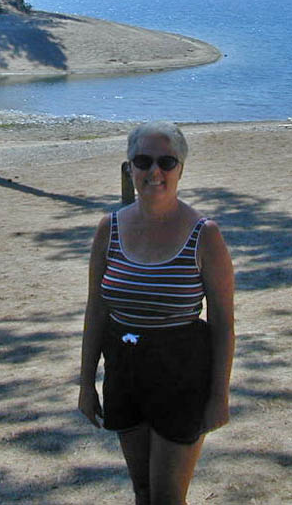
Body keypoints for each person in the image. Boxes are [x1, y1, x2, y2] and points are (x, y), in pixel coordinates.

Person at [79, 121, 235, 505]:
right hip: (125, 370)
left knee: (167, 498)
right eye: (143, 161)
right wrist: (85, 383)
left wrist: (219, 395)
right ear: (129, 167)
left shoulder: (205, 234)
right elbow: (97, 310)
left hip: (182, 376)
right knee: (143, 492)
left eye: (166, 161)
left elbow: (223, 324)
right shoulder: (109, 229)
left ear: (181, 168)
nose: (155, 172)